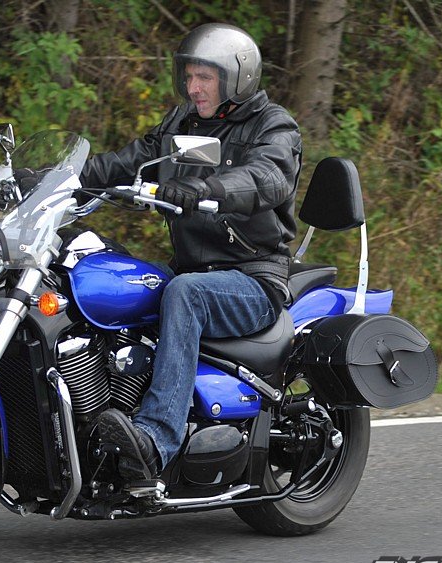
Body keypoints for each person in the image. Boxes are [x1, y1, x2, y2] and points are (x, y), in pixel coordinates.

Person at [79, 23, 302, 480]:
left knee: (184, 293)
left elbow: (267, 176)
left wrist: (208, 188)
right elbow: (126, 162)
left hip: (253, 277)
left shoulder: (274, 125)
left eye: (205, 77)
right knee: (102, 272)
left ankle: (156, 440)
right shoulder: (180, 124)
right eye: (189, 76)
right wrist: (55, 177)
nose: (193, 87)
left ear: (237, 77)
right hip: (191, 269)